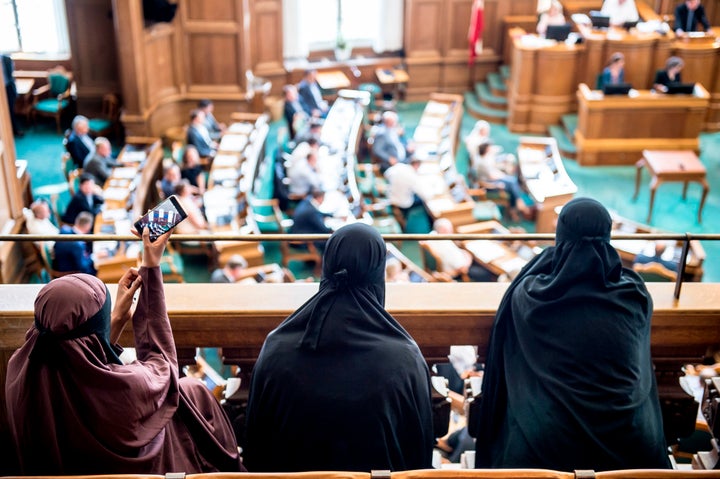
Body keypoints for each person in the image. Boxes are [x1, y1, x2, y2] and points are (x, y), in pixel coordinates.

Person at [6, 226, 244, 474]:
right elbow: (162, 364)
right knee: (192, 391)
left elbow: (78, 360)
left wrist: (115, 320)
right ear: (94, 331)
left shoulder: (22, 369)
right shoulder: (124, 391)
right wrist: (151, 266)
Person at [473, 197, 671, 471]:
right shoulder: (634, 295)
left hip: (546, 449)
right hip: (631, 446)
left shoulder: (532, 296)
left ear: (560, 236)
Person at [244, 223, 434, 471]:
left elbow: (255, 446)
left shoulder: (277, 346)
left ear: (329, 264)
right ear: (377, 274)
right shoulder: (405, 357)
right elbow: (419, 454)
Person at [473, 141, 529, 221]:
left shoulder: (485, 158)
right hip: (489, 186)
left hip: (492, 180)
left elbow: (493, 171)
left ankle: (515, 205)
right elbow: (491, 176)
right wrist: (502, 177)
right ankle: (516, 206)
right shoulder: (482, 163)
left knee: (512, 182)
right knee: (511, 183)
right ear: (486, 149)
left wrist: (503, 176)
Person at [430, 218, 496, 282]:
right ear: (443, 230)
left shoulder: (432, 235)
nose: (452, 232)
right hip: (459, 273)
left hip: (457, 262)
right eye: (450, 230)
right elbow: (463, 269)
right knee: (486, 273)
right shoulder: (446, 246)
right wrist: (469, 257)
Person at [384, 157, 431, 228]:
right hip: (403, 203)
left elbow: (386, 174)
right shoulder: (412, 176)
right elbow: (424, 195)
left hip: (390, 196)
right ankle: (431, 224)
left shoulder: (399, 166)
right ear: (416, 165)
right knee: (423, 203)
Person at [2, 53, 23, 137]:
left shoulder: (6, 59)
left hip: (8, 88)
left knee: (10, 111)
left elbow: (11, 77)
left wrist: (14, 92)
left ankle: (14, 130)